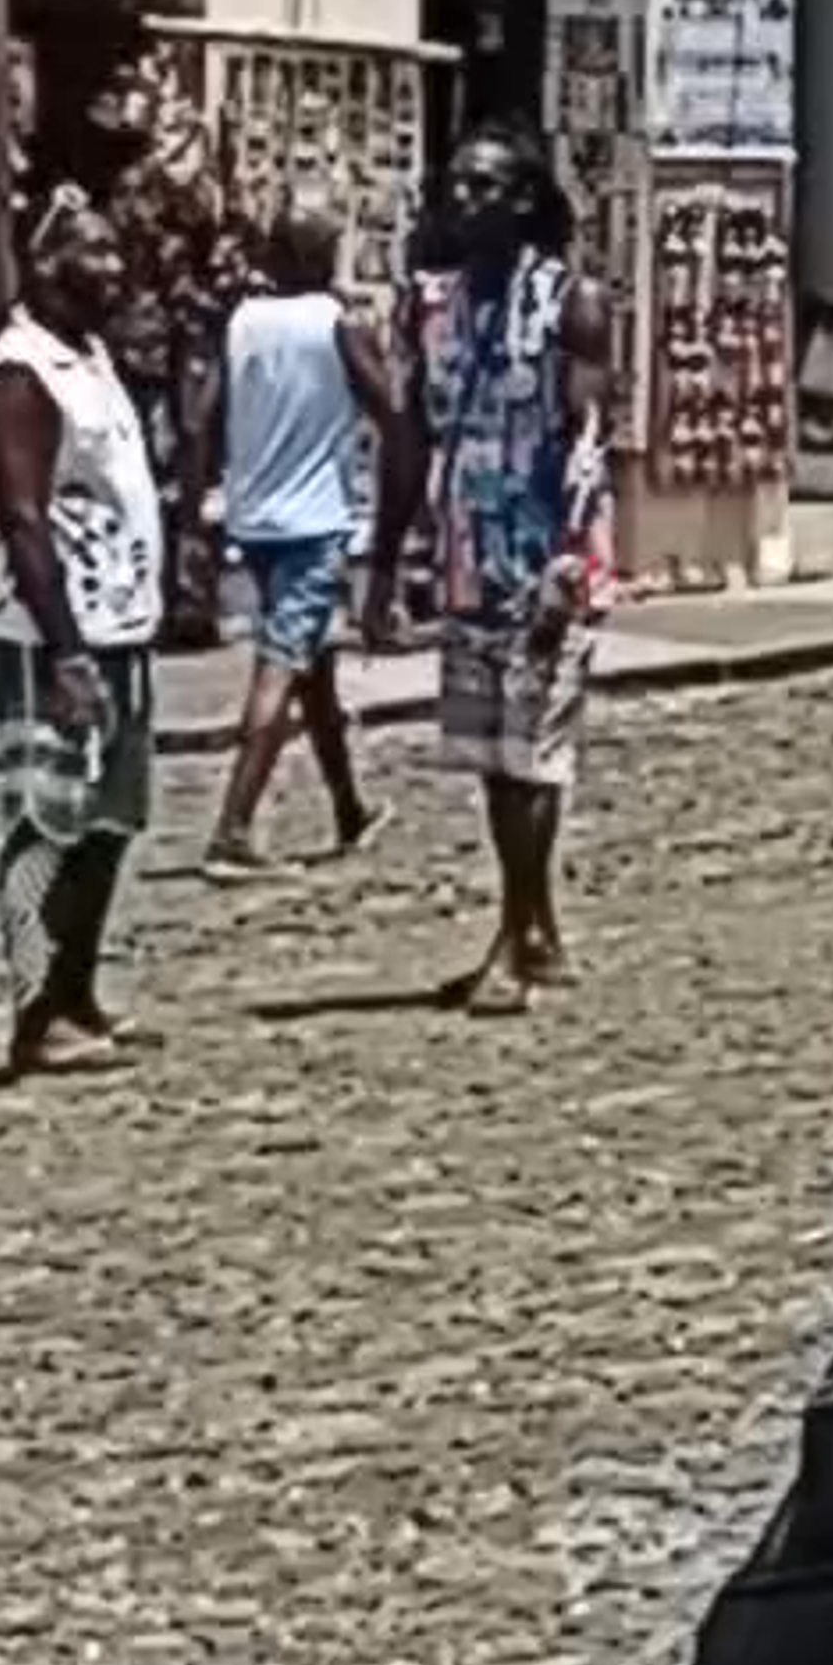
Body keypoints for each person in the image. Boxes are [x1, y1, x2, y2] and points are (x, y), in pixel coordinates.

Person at [0, 188, 166, 1075]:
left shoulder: (86, 357)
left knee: (109, 816)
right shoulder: (21, 375)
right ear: (48, 265)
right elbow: (24, 518)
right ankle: (35, 1010)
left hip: (120, 621)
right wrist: (68, 652)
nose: (115, 268)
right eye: (95, 252)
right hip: (49, 631)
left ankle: (77, 990)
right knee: (49, 813)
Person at [425, 128, 611, 1007]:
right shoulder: (439, 305)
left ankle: (515, 933)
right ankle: (532, 924)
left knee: (536, 749)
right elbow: (418, 430)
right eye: (457, 187)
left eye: (485, 188)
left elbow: (585, 441)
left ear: (525, 199)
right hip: (468, 555)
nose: (466, 203)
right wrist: (391, 564)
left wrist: (568, 565)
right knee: (493, 755)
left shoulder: (571, 302)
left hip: (545, 558)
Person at [206, 201, 390, 875]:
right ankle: (232, 827)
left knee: (315, 674)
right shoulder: (335, 325)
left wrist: (204, 501)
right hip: (314, 523)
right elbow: (389, 405)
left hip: (254, 517)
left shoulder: (244, 323)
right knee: (281, 664)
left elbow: (206, 411)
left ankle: (349, 807)